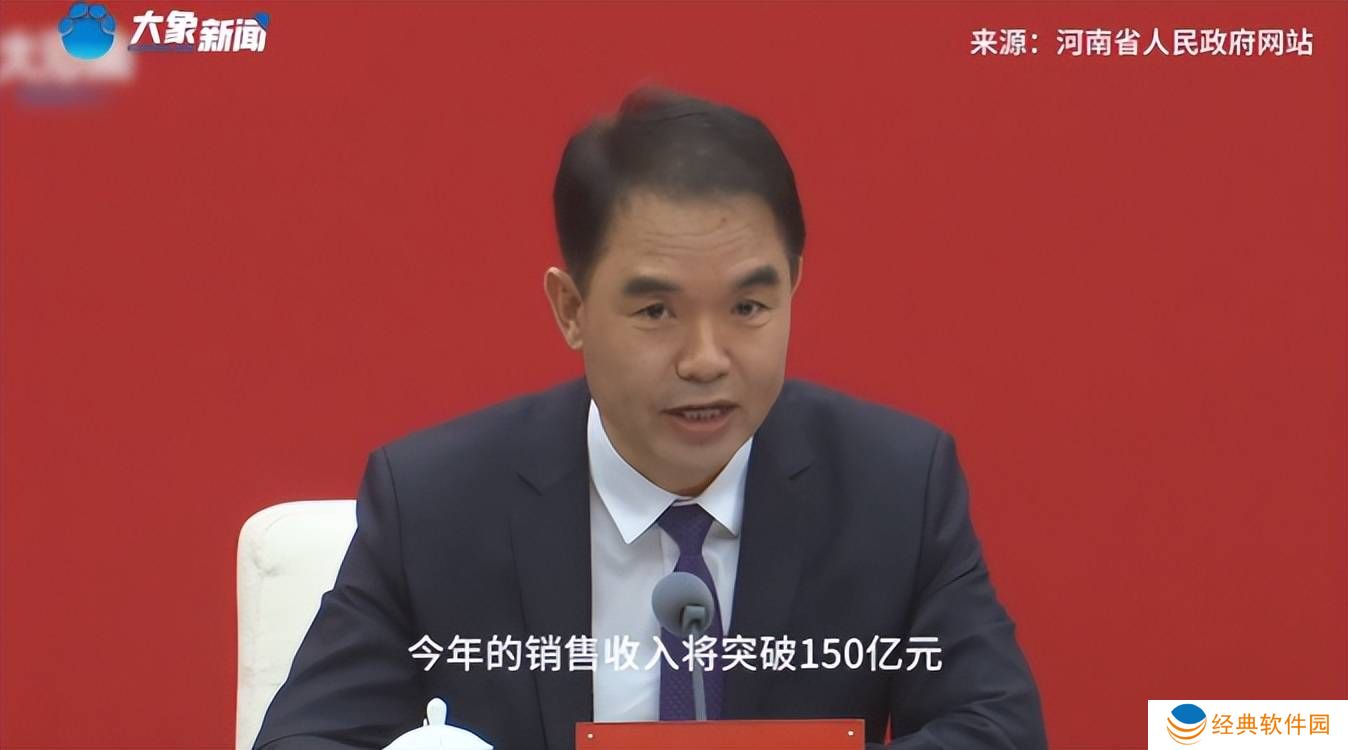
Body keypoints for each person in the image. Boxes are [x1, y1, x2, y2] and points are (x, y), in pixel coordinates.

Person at [253, 86, 1046, 750]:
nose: (706, 359)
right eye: (657, 311)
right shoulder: (435, 503)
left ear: (794, 288)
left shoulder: (896, 488)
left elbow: (997, 729)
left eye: (749, 307)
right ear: (571, 309)